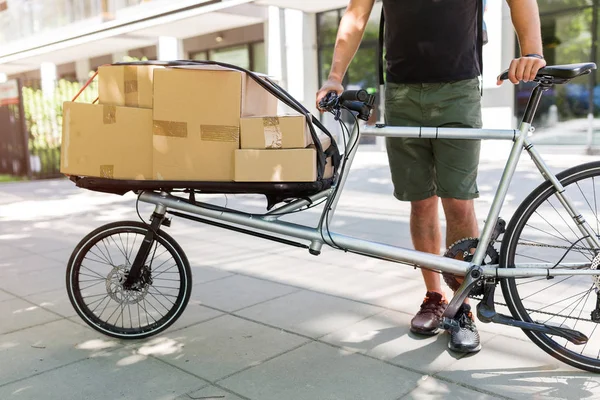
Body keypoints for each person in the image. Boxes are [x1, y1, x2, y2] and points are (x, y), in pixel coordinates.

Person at [316, 0, 546, 353]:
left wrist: (532, 51)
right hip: (400, 91)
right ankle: (435, 296)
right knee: (420, 202)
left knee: (458, 201)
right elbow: (356, 15)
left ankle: (461, 308)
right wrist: (335, 76)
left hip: (458, 89)